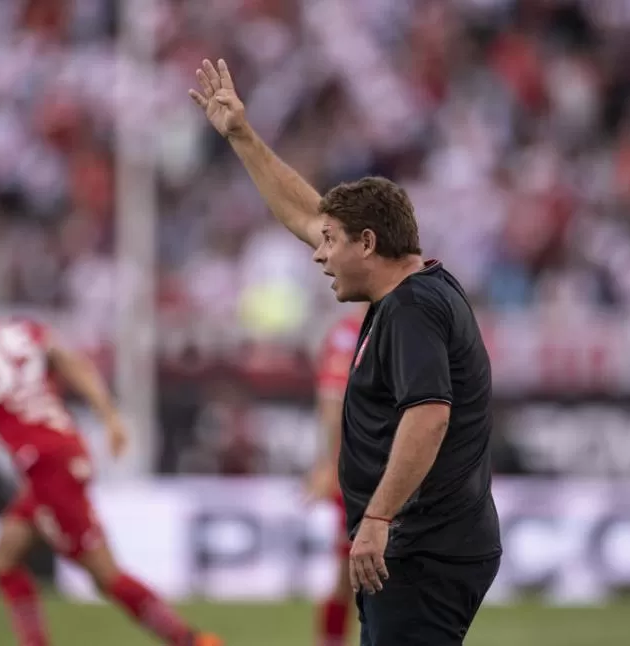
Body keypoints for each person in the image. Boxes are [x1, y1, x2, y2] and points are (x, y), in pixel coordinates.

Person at [190, 60, 501, 646]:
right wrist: (242, 137)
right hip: (422, 545)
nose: (317, 254)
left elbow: (429, 416)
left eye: (332, 242)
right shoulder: (410, 290)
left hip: (422, 547)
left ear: (369, 243)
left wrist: (379, 518)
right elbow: (307, 215)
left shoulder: (411, 310)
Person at [0, 279, 222, 646]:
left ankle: (192, 641)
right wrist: (109, 414)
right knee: (5, 557)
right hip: (62, 448)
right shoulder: (18, 329)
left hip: (44, 463)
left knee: (103, 573)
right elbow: (70, 362)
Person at [307, 304, 367, 646]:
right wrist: (328, 464)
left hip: (399, 466)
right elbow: (332, 400)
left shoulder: (408, 323)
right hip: (358, 470)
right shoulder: (349, 333)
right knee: (351, 571)